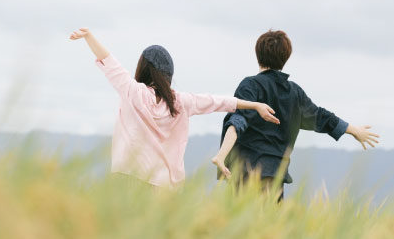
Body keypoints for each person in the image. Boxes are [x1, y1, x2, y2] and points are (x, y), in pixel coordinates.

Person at [69, 27, 280, 188]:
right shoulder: (182, 102)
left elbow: (110, 62)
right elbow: (219, 101)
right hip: (164, 188)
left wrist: (89, 36)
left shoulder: (133, 92)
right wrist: (255, 105)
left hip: (128, 179)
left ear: (143, 69)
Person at [211, 30, 380, 199]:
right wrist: (353, 130)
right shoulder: (294, 92)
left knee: (246, 223)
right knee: (272, 224)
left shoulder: (250, 85)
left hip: (246, 171)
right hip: (275, 174)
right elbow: (320, 117)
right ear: (286, 57)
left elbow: (238, 120)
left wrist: (221, 155)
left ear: (258, 54)